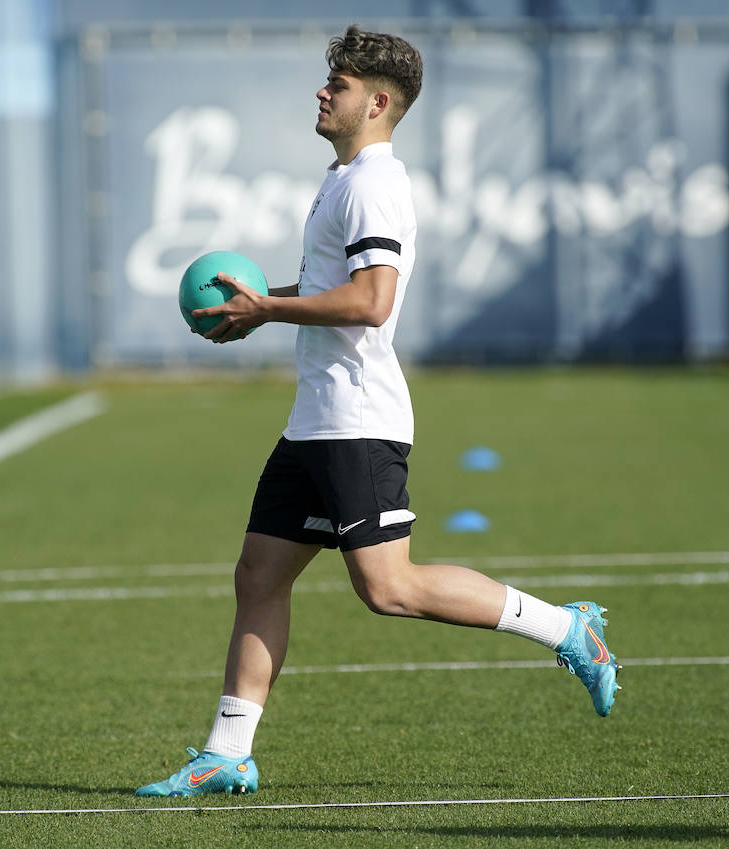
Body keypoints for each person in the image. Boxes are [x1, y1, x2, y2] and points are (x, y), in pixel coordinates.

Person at [136, 25, 620, 798]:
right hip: (317, 419)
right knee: (259, 574)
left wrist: (269, 311)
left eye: (341, 83)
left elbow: (371, 301)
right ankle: (227, 752)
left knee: (388, 588)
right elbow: (335, 286)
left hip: (357, 420)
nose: (324, 91)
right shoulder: (342, 177)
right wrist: (262, 304)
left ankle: (567, 629)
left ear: (379, 101)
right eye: (328, 78)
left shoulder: (372, 184)